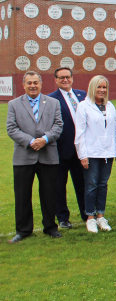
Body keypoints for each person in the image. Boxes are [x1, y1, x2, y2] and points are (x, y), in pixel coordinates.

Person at [6, 71, 64, 243]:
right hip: (24, 156)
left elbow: (58, 125)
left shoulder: (53, 103)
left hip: (48, 155)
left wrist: (45, 139)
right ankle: (23, 230)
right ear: (23, 85)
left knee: (49, 194)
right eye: (29, 83)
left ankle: (50, 227)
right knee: (22, 195)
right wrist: (31, 141)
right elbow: (11, 128)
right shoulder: (14, 104)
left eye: (35, 82)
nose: (32, 86)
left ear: (41, 84)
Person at [74, 75, 116, 233]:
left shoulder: (110, 106)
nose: (102, 90)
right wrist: (82, 155)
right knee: (91, 185)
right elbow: (79, 133)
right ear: (92, 88)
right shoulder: (83, 106)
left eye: (104, 87)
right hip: (92, 153)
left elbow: (115, 130)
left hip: (107, 153)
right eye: (99, 87)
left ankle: (101, 216)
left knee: (103, 185)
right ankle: (90, 217)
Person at [47, 67, 87, 229]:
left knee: (83, 184)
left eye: (68, 77)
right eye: (61, 77)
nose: (65, 80)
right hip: (61, 149)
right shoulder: (51, 99)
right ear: (55, 80)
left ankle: (87, 214)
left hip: (81, 150)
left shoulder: (82, 95)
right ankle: (63, 218)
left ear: (72, 78)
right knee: (59, 186)